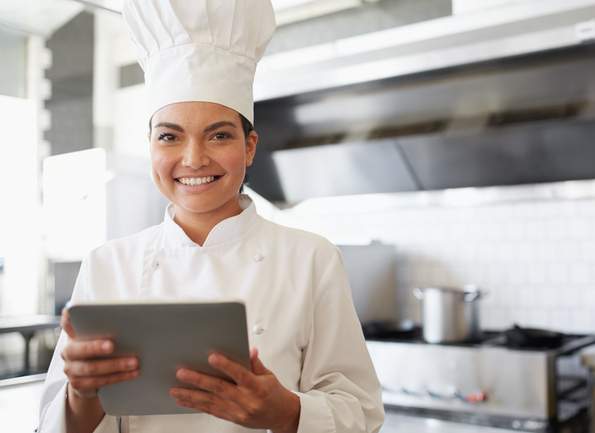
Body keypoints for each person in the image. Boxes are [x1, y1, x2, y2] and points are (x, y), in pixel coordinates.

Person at [37, 1, 385, 432]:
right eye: (170, 136)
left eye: (219, 135)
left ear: (250, 146)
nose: (193, 158)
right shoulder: (107, 266)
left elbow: (362, 415)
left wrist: (286, 412)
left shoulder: (312, 259)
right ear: (151, 146)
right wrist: (82, 393)